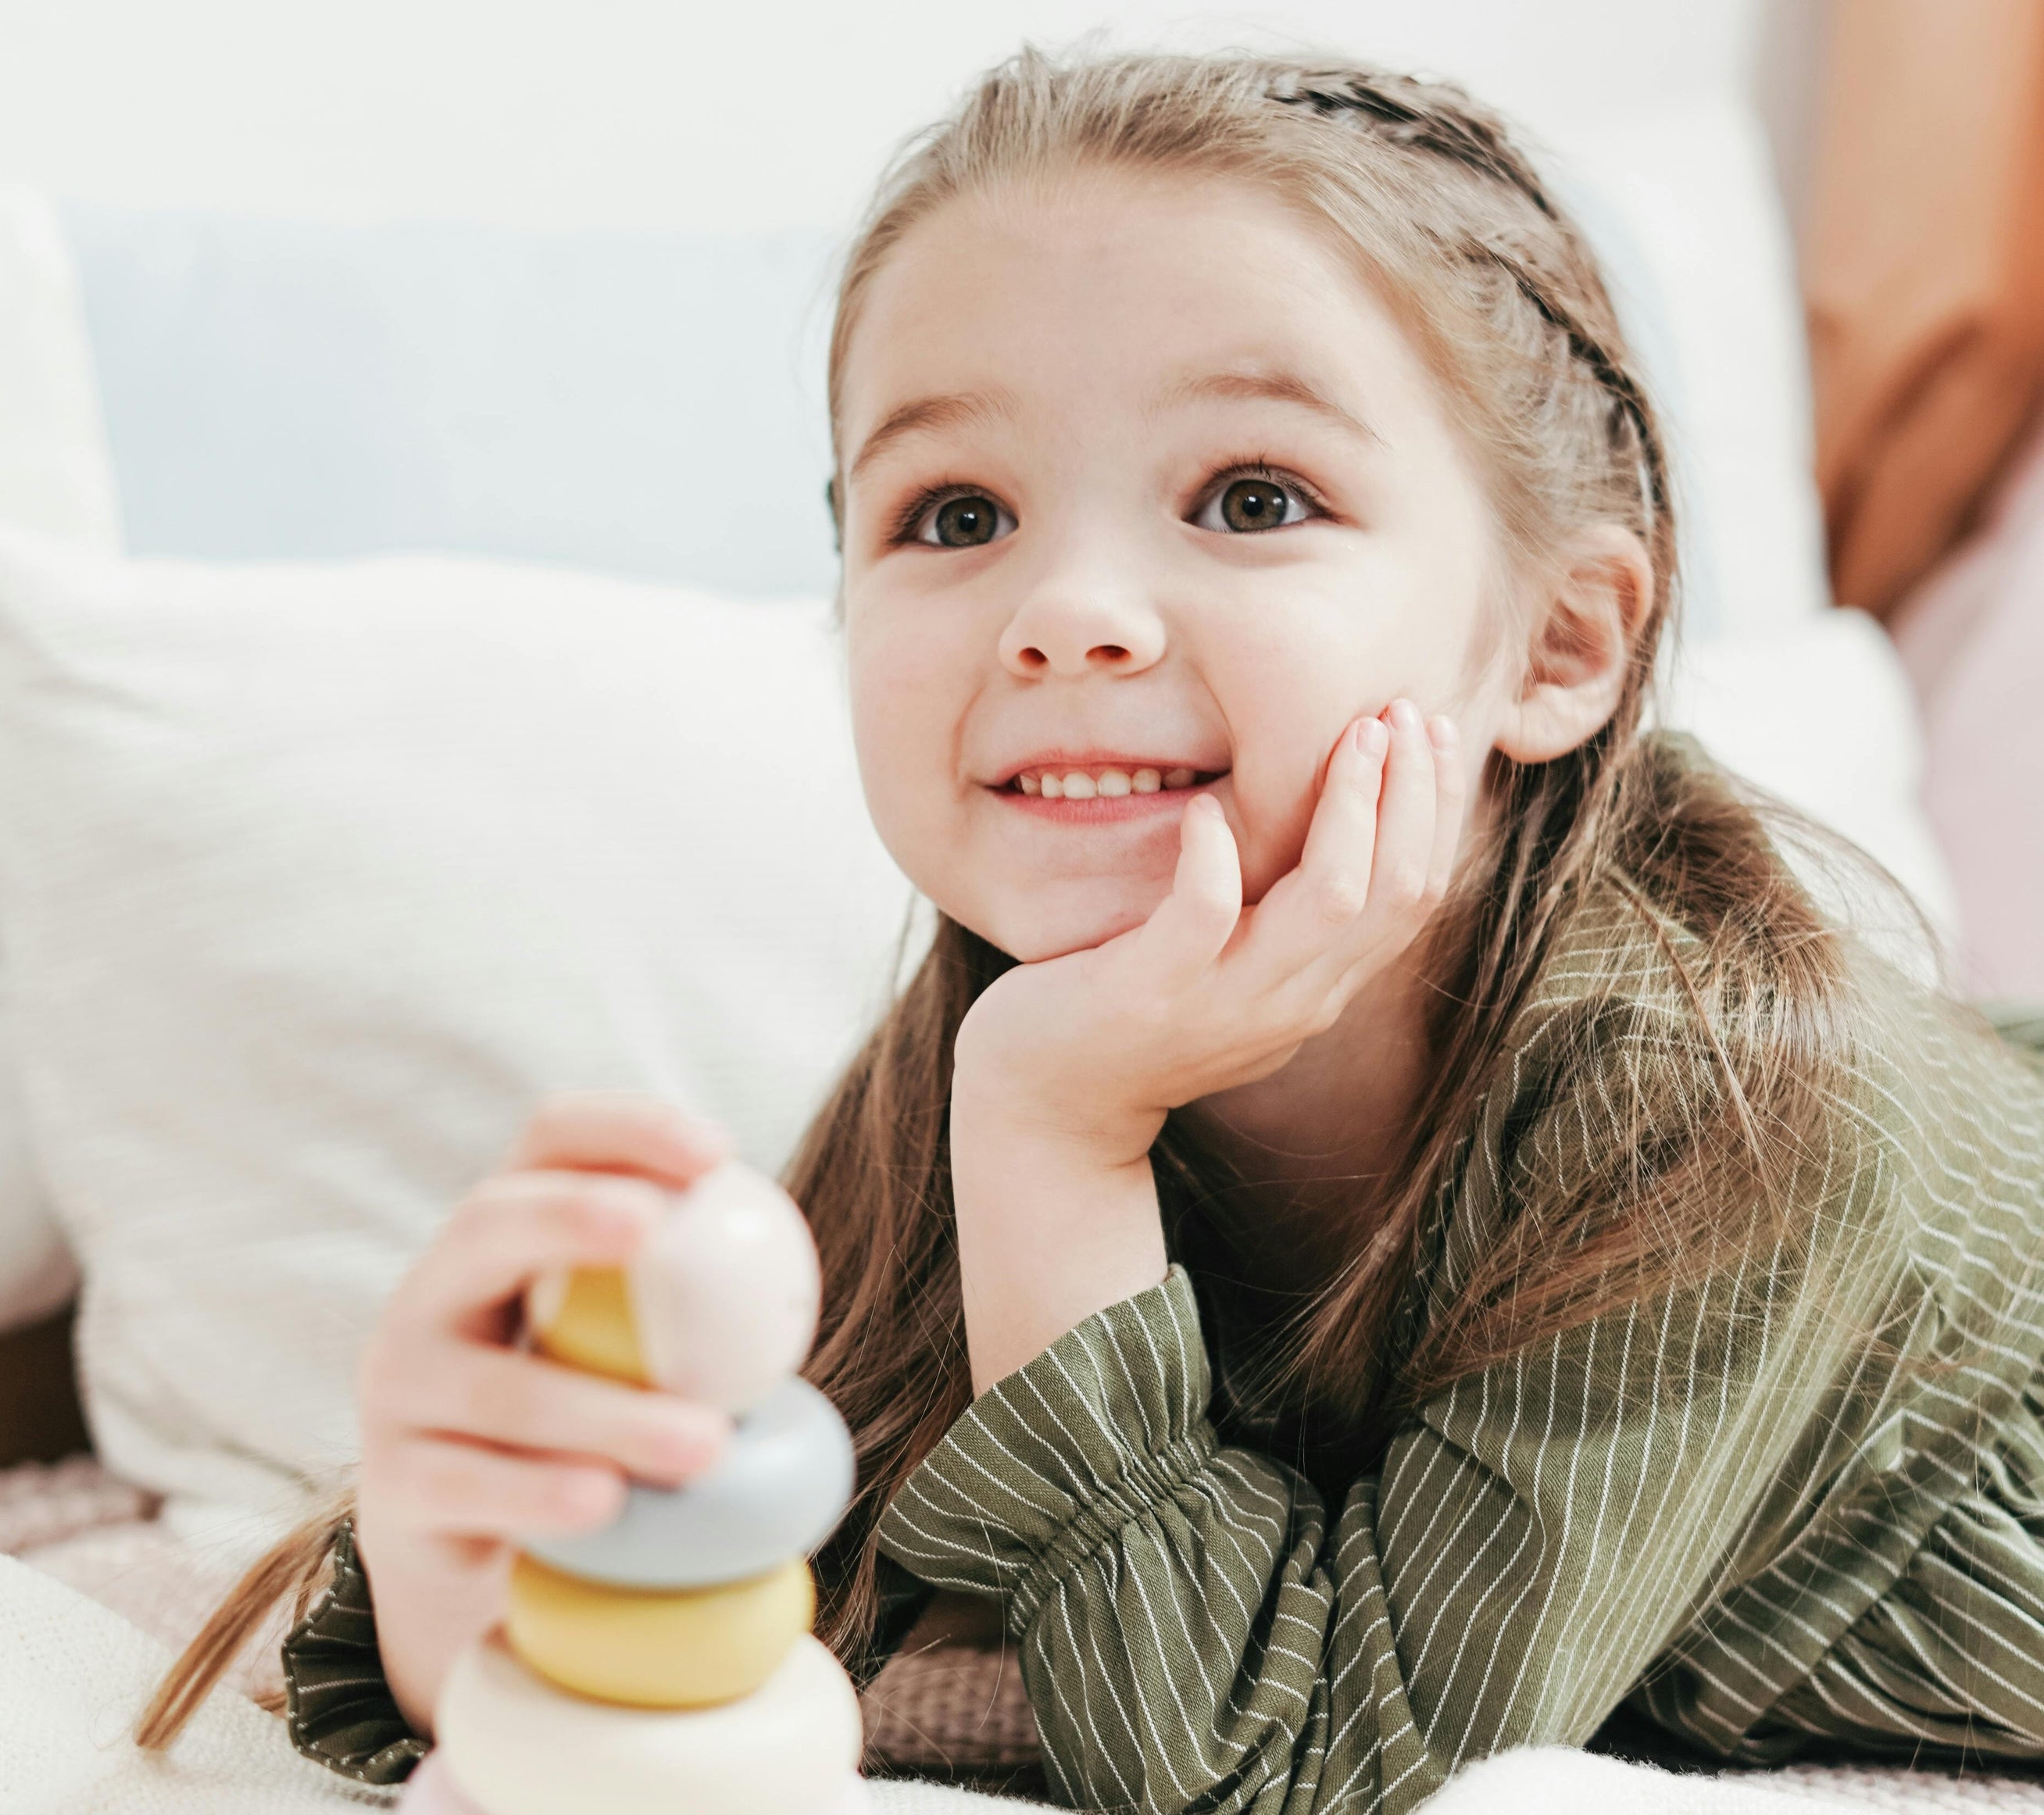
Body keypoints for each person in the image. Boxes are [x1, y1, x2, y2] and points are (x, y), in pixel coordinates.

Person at [134, 47, 2044, 1812]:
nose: (1065, 610)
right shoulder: (1026, 1030)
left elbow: (1287, 1770)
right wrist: (472, 1554)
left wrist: (1056, 1141)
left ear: (1553, 647)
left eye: (1250, 494)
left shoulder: (1721, 1108)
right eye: (953, 514)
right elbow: (783, 1596)